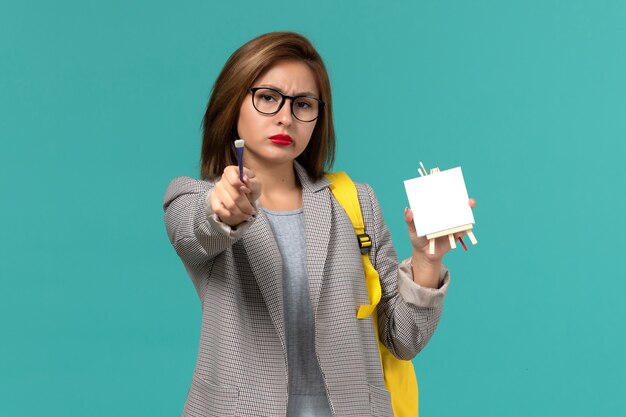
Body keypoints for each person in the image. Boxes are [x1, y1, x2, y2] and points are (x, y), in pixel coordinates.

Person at [163, 31, 476, 417]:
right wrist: (223, 209)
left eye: (303, 104)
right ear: (233, 105)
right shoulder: (191, 197)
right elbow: (195, 232)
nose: (285, 117)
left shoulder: (356, 202)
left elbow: (402, 340)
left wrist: (427, 261)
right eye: (267, 97)